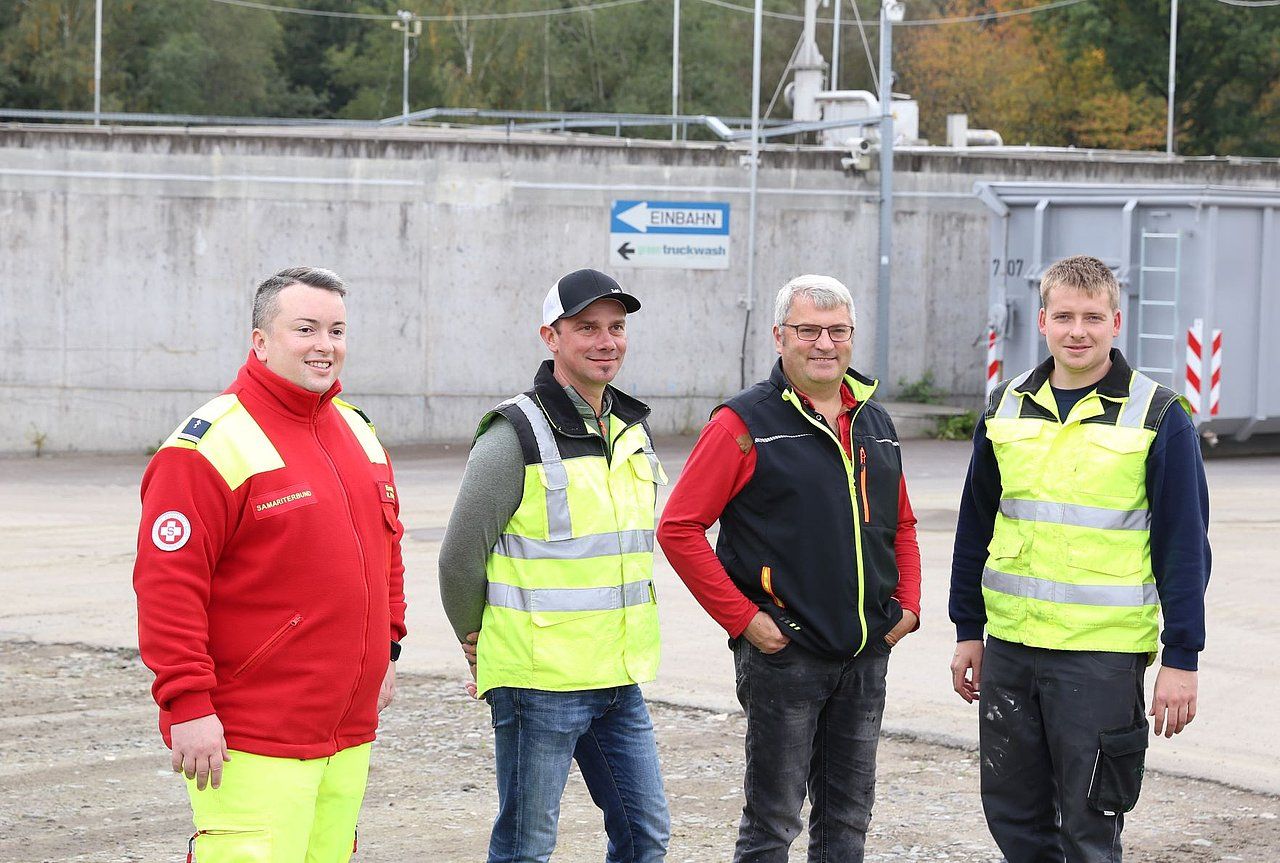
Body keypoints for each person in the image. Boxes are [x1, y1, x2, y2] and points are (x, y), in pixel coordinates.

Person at [132, 266, 407, 863]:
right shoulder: (206, 447)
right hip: (251, 736)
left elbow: (388, 553)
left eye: (336, 330)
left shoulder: (358, 432)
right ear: (260, 341)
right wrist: (188, 705)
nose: (325, 345)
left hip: (348, 732)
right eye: (305, 328)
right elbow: (167, 589)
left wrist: (387, 648)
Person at [948, 254, 1211, 862]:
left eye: (1092, 317)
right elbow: (974, 528)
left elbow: (1185, 549)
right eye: (1064, 316)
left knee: (1090, 828)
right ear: (1042, 320)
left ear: (1116, 322)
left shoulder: (1159, 415)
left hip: (1101, 658)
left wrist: (1182, 658)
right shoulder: (1005, 406)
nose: (1078, 331)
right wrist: (968, 631)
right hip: (1011, 650)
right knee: (1014, 818)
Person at [657, 274, 922, 862]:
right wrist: (745, 620)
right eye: (808, 331)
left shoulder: (873, 423)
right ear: (780, 337)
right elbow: (678, 528)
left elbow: (900, 524)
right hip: (786, 656)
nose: (824, 343)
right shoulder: (742, 423)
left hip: (864, 654)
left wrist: (908, 606)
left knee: (848, 819)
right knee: (773, 823)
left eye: (837, 331)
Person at [438, 268, 670, 863]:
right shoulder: (515, 432)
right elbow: (461, 556)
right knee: (526, 847)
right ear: (551, 337)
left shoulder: (629, 427)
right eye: (586, 327)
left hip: (617, 677)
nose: (605, 341)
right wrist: (477, 642)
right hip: (540, 682)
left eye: (616, 328)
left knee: (646, 836)